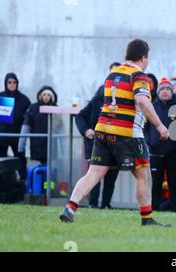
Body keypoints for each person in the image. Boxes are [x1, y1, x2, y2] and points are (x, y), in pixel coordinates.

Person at [59, 39, 170, 227]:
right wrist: (160, 125)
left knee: (94, 173)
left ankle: (70, 207)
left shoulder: (112, 74)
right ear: (144, 57)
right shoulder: (140, 76)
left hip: (102, 130)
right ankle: (147, 219)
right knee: (144, 175)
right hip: (127, 132)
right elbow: (142, 101)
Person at [75, 62, 121, 209]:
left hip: (116, 145)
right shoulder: (99, 96)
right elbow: (80, 116)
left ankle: (106, 204)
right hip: (97, 145)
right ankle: (92, 204)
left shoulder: (127, 98)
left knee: (111, 177)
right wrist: (86, 130)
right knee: (94, 176)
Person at [145, 77, 176, 212]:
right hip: (155, 152)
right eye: (162, 89)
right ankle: (153, 209)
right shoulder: (151, 107)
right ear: (158, 92)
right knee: (155, 184)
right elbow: (145, 128)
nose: (165, 92)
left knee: (174, 184)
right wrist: (149, 142)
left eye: (168, 89)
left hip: (173, 153)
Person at [0, 73, 31, 181]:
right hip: (1, 137)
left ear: (17, 83)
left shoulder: (24, 99)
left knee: (21, 160)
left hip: (17, 136)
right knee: (0, 162)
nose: (12, 84)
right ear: (5, 83)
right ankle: (1, 183)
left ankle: (23, 182)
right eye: (9, 82)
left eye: (14, 82)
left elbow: (29, 117)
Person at [18, 86, 58, 164]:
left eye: (49, 95)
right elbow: (26, 127)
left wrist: (64, 150)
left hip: (51, 146)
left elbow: (60, 129)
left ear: (52, 97)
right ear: (40, 96)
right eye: (44, 95)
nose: (46, 97)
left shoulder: (56, 109)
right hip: (37, 144)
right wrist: (21, 146)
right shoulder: (33, 108)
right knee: (41, 168)